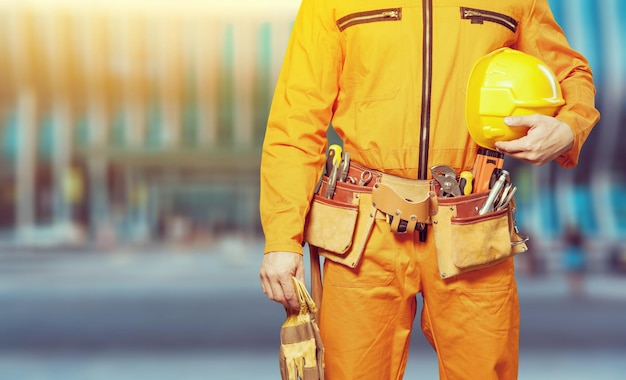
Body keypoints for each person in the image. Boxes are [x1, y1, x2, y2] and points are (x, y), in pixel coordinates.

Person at [259, 1, 600, 379]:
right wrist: (281, 239)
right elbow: (295, 125)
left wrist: (569, 128)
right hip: (363, 235)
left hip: (472, 226)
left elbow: (571, 74)